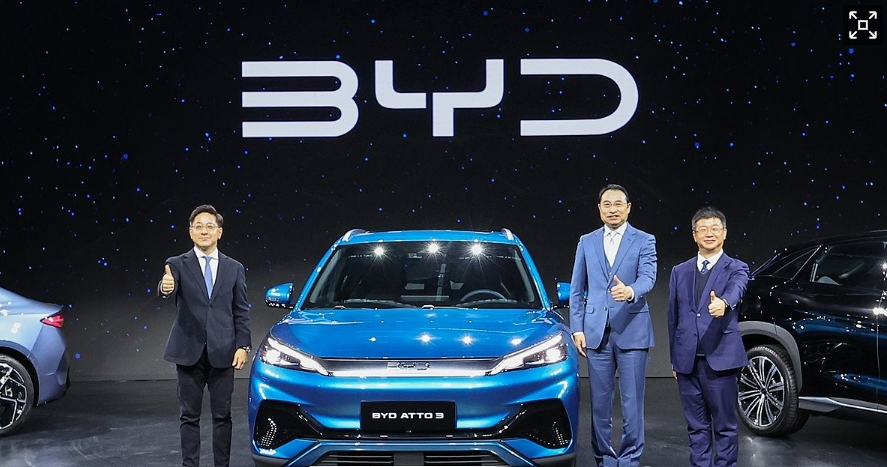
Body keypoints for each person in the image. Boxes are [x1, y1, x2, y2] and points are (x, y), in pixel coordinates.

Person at [569, 184, 657, 467]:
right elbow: (576, 289)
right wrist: (577, 328)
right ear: (599, 209)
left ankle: (629, 459)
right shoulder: (587, 241)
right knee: (599, 405)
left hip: (632, 330)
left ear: (628, 208)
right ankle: (605, 458)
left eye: (618, 204)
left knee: (633, 406)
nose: (613, 209)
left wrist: (630, 291)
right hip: (596, 333)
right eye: (607, 204)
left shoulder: (644, 240)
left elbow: (648, 277)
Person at [158, 204, 252, 467]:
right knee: (189, 416)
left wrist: (243, 345)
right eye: (198, 226)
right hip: (188, 351)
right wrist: (166, 287)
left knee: (222, 416)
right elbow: (167, 286)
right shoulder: (177, 264)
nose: (204, 231)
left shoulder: (234, 268)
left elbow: (241, 310)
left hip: (224, 351)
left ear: (219, 232)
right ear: (190, 232)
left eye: (210, 226)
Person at [667, 206, 749, 467]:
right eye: (703, 229)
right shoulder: (679, 271)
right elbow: (673, 318)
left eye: (715, 228)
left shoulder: (736, 267)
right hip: (687, 362)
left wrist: (723, 303)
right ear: (694, 235)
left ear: (724, 233)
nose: (709, 233)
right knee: (696, 426)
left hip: (721, 361)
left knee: (725, 426)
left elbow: (737, 289)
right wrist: (675, 359)